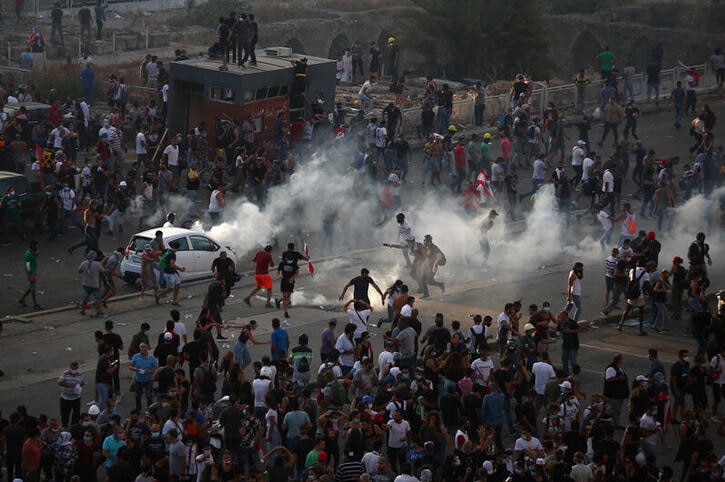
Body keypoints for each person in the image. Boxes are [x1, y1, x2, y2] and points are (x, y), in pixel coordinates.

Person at [129, 342, 157, 411]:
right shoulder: (136, 356)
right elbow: (130, 366)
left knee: (149, 396)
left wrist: (150, 371)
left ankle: (150, 410)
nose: (143, 352)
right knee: (137, 396)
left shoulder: (152, 358)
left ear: (147, 349)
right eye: (141, 350)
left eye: (144, 350)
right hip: (138, 380)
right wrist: (135, 369)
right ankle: (138, 409)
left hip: (148, 380)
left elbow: (156, 368)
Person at [156, 241, 186, 306]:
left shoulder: (167, 250)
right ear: (178, 248)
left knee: (177, 285)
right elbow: (172, 265)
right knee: (170, 289)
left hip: (173, 272)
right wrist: (180, 268)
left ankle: (174, 301)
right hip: (169, 274)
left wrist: (158, 260)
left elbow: (157, 253)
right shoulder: (173, 254)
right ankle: (158, 296)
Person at [57, 361, 84, 428]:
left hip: (76, 398)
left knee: (76, 414)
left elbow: (82, 382)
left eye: (76, 369)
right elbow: (59, 382)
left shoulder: (80, 374)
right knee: (65, 414)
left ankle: (74, 426)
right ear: (70, 368)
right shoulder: (65, 373)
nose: (75, 370)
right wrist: (68, 385)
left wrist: (81, 385)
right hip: (66, 398)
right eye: (73, 369)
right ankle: (65, 425)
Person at [77, 250, 103, 317]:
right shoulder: (97, 264)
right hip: (95, 284)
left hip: (86, 284)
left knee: (85, 298)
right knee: (97, 299)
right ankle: (99, 311)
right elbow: (102, 271)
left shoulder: (84, 263)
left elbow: (79, 271)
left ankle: (83, 311)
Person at [18, 240, 41, 310]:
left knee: (31, 288)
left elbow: (35, 256)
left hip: (33, 272)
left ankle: (22, 299)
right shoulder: (28, 254)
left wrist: (36, 253)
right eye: (37, 245)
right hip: (31, 273)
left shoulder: (32, 252)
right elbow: (27, 265)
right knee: (33, 289)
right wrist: (31, 275)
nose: (38, 247)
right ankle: (35, 304)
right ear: (33, 246)